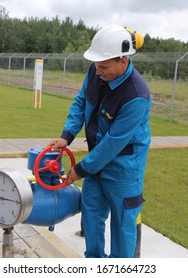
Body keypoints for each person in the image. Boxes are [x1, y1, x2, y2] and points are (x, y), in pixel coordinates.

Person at [49, 24, 152, 258]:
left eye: (103, 66)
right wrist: (67, 135)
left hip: (123, 168)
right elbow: (81, 102)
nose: (97, 71)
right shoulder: (96, 70)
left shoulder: (137, 96)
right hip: (97, 162)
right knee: (92, 214)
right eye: (96, 64)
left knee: (123, 225)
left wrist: (81, 169)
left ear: (123, 61)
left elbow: (113, 142)